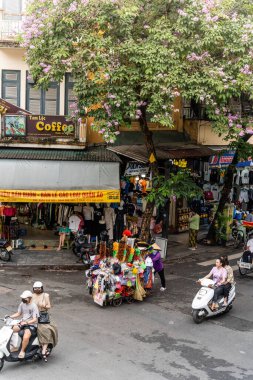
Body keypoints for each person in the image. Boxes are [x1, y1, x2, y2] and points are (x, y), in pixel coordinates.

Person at [32, 281, 58, 361]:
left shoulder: (45, 295)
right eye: (35, 288)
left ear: (41, 288)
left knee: (44, 330)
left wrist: (44, 306)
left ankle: (44, 350)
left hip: (42, 316)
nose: (37, 289)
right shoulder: (31, 295)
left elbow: (49, 306)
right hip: (33, 315)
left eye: (38, 288)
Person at [10, 290, 39, 359]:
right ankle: (14, 346)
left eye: (25, 298)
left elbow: (35, 319)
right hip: (23, 322)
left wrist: (27, 322)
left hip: (31, 325)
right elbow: (18, 313)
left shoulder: (34, 306)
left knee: (26, 336)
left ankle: (22, 351)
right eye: (23, 298)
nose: (23, 299)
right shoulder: (22, 304)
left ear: (30, 298)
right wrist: (9, 317)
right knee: (11, 330)